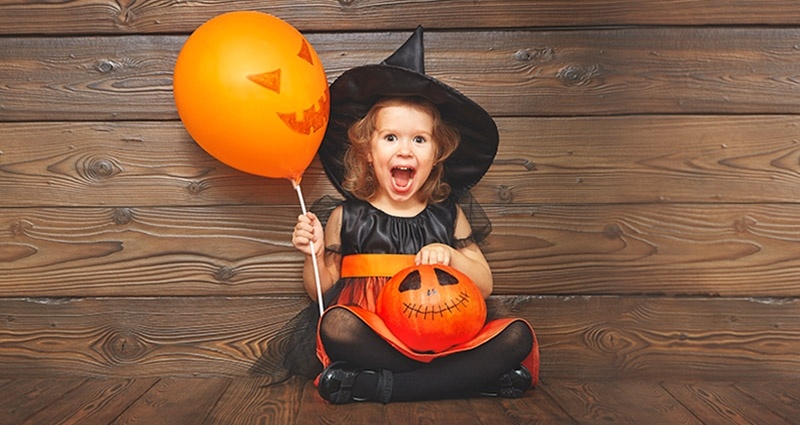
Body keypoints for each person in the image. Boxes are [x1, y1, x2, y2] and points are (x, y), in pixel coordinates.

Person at [292, 26, 538, 404]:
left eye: (419, 139)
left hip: (445, 335)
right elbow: (321, 292)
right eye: (391, 138)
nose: (405, 150)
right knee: (335, 325)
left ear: (436, 153)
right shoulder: (347, 216)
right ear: (366, 152)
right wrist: (315, 253)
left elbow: (485, 284)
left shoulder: (447, 215)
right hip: (379, 337)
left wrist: (452, 255)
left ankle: (381, 386)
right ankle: (465, 381)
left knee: (517, 335)